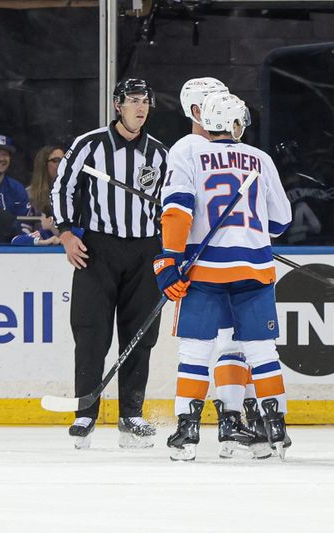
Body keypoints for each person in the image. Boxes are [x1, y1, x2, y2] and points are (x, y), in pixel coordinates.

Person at [159, 91, 293, 461]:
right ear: (235, 124)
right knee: (262, 352)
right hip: (254, 267)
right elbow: (281, 222)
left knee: (195, 353)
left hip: (204, 270)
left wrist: (169, 259)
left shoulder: (189, 154)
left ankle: (187, 431)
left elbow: (177, 210)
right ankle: (275, 425)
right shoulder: (260, 158)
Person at [50, 78, 168, 449]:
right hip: (98, 250)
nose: (140, 107)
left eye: (145, 101)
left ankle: (131, 416)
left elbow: (171, 204)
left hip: (146, 251)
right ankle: (85, 412)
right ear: (118, 105)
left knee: (139, 337)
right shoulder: (90, 144)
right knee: (91, 333)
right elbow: (62, 188)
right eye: (133, 100)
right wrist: (68, 233)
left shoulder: (161, 153)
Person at [0, 134, 28, 236]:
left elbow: (24, 227)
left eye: (5, 154)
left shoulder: (17, 189)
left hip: (8, 248)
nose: (1, 158)